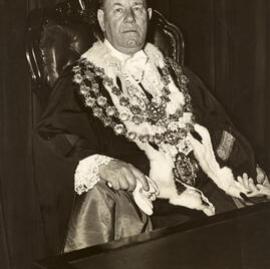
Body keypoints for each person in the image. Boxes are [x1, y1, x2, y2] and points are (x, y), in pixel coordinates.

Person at [37, 0, 270, 253]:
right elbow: (55, 136)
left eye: (136, 8)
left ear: (147, 16)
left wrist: (242, 169)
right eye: (118, 9)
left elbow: (219, 127)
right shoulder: (79, 82)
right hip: (147, 211)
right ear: (102, 20)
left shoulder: (176, 73)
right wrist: (101, 164)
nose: (129, 17)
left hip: (210, 193)